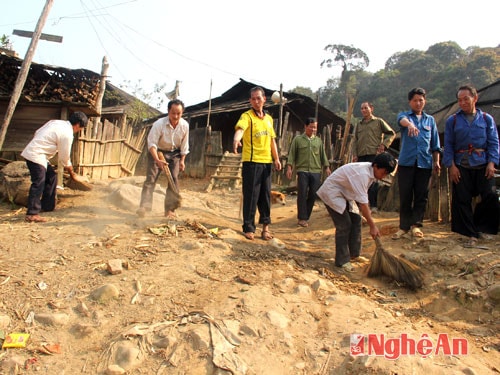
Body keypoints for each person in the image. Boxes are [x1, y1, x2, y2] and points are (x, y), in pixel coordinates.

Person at [316, 152, 397, 272]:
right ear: (376, 166)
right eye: (384, 172)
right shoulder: (362, 174)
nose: (384, 176)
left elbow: (363, 199)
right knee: (344, 224)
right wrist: (372, 226)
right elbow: (363, 205)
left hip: (345, 193)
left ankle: (354, 254)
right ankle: (342, 261)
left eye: (387, 174)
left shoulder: (371, 173)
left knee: (356, 219)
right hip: (332, 192)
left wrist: (369, 219)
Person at [443, 85, 499, 247]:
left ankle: (482, 228)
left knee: (490, 194)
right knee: (462, 199)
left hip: (483, 163)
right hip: (461, 165)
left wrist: (491, 163)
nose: (462, 103)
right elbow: (448, 145)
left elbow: (494, 143)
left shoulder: (487, 119)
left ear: (475, 98)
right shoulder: (452, 120)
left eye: (466, 99)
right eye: (459, 100)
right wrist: (451, 166)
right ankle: (470, 233)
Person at [21, 111, 88, 223]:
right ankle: (32, 213)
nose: (78, 131)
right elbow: (64, 158)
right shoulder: (67, 134)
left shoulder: (56, 123)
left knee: (52, 177)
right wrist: (73, 175)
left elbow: (37, 132)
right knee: (39, 183)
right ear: (77, 125)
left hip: (38, 154)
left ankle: (47, 206)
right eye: (80, 129)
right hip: (35, 155)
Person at [233, 86, 282, 240]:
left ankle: (265, 228)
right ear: (250, 101)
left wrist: (276, 158)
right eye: (253, 99)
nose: (256, 101)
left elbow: (272, 140)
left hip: (266, 163)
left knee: (265, 197)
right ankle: (249, 227)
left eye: (258, 98)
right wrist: (236, 139)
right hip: (251, 162)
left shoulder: (268, 119)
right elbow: (240, 129)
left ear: (264, 99)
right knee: (251, 196)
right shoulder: (247, 116)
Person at [392, 87, 441, 240]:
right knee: (406, 195)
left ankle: (416, 226)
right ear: (410, 102)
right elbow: (401, 121)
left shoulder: (430, 120)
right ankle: (403, 227)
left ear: (424, 101)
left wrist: (437, 162)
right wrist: (410, 125)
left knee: (421, 195)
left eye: (421, 100)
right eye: (415, 100)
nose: (418, 103)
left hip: (425, 164)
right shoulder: (405, 116)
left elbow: (435, 144)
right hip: (407, 163)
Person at [137, 99, 189, 219]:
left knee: (174, 179)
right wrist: (157, 159)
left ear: (182, 113)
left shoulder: (184, 125)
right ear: (168, 111)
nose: (175, 116)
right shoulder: (159, 124)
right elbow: (151, 144)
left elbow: (184, 146)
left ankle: (170, 210)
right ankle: (144, 206)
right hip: (157, 152)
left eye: (178, 113)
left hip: (174, 154)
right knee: (151, 178)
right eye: (173, 113)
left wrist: (182, 160)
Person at [286, 117, 331, 227]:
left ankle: (307, 216)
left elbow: (323, 155)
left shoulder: (318, 141)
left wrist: (327, 167)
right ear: (305, 127)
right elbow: (292, 154)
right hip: (302, 170)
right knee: (302, 194)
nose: (313, 129)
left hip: (316, 171)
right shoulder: (298, 139)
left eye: (315, 127)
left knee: (313, 194)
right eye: (311, 127)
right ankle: (302, 218)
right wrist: (289, 167)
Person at [352, 102, 396, 212]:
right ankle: (362, 206)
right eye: (362, 108)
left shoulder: (378, 122)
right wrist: (354, 155)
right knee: (361, 181)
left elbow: (391, 133)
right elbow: (355, 140)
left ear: (371, 108)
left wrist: (384, 145)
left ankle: (374, 206)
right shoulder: (359, 124)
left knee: (373, 181)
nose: (363, 110)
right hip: (361, 155)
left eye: (366, 108)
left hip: (374, 155)